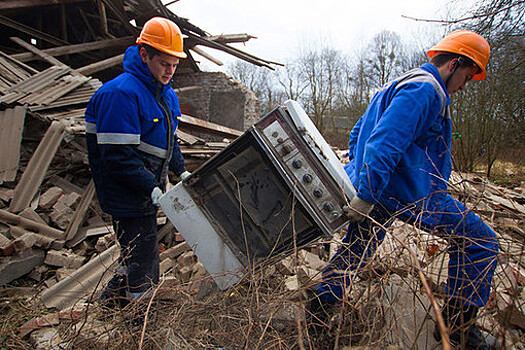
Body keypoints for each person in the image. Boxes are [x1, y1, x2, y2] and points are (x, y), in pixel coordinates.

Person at [312, 30, 499, 349]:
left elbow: (359, 132)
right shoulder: (426, 91)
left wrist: (362, 183)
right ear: (454, 63)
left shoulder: (400, 82)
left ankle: (316, 315)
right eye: (467, 77)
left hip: (380, 191)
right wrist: (368, 193)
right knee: (480, 241)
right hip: (407, 193)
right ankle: (459, 331)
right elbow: (384, 142)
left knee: (357, 250)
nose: (464, 86)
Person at [85, 17, 191, 313]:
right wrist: (153, 188)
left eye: (174, 65)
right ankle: (138, 324)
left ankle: (106, 310)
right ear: (144, 54)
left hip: (146, 189)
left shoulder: (165, 94)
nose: (170, 71)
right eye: (164, 63)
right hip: (125, 193)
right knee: (145, 262)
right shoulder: (120, 94)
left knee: (132, 257)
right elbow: (118, 158)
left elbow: (168, 142)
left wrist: (180, 170)